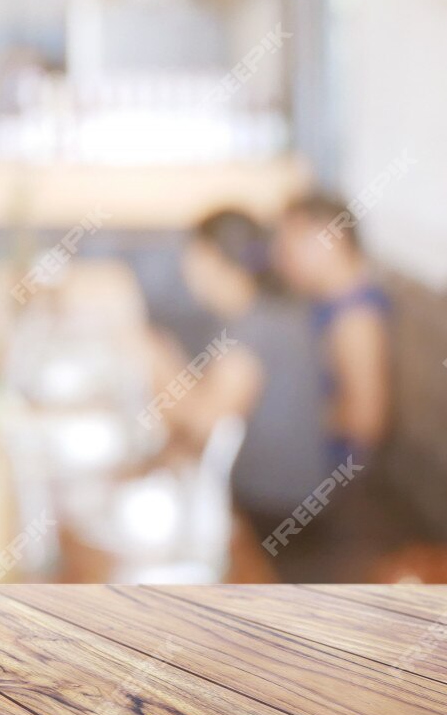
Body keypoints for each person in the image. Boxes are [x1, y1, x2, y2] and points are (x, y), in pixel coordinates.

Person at [148, 209, 326, 532]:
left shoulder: (254, 327)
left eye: (190, 257)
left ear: (211, 258)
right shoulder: (261, 306)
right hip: (276, 495)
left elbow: (206, 423)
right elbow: (215, 390)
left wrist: (154, 354)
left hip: (276, 512)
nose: (185, 269)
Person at [272, 192, 393, 465]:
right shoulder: (327, 300)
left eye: (290, 244)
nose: (281, 257)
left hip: (330, 470)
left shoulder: (356, 317)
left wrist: (287, 411)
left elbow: (366, 421)